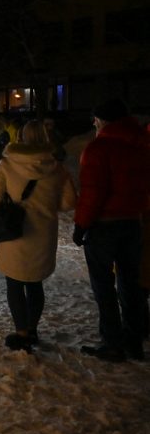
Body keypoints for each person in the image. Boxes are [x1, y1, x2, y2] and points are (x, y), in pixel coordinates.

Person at [0, 120, 77, 352]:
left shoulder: (7, 165)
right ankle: (32, 329)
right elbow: (70, 200)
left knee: (15, 283)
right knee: (35, 283)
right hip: (43, 232)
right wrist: (47, 205)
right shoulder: (56, 166)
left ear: (20, 138)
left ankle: (21, 332)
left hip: (15, 231)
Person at [74, 98, 150, 361]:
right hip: (133, 222)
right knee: (131, 283)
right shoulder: (141, 145)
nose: (93, 123)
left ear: (103, 120)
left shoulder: (99, 148)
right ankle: (134, 340)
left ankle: (112, 341)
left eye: (95, 118)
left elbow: (93, 193)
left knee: (103, 285)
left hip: (104, 225)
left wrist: (81, 225)